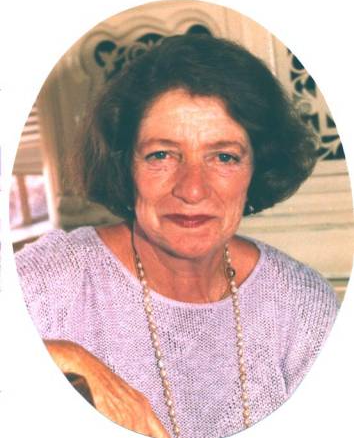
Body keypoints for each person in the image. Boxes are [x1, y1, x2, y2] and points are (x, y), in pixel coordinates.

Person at [15, 34, 338, 438]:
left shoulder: (301, 305)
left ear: (258, 167)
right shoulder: (53, 279)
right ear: (124, 164)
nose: (192, 189)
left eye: (223, 157)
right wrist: (66, 357)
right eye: (162, 155)